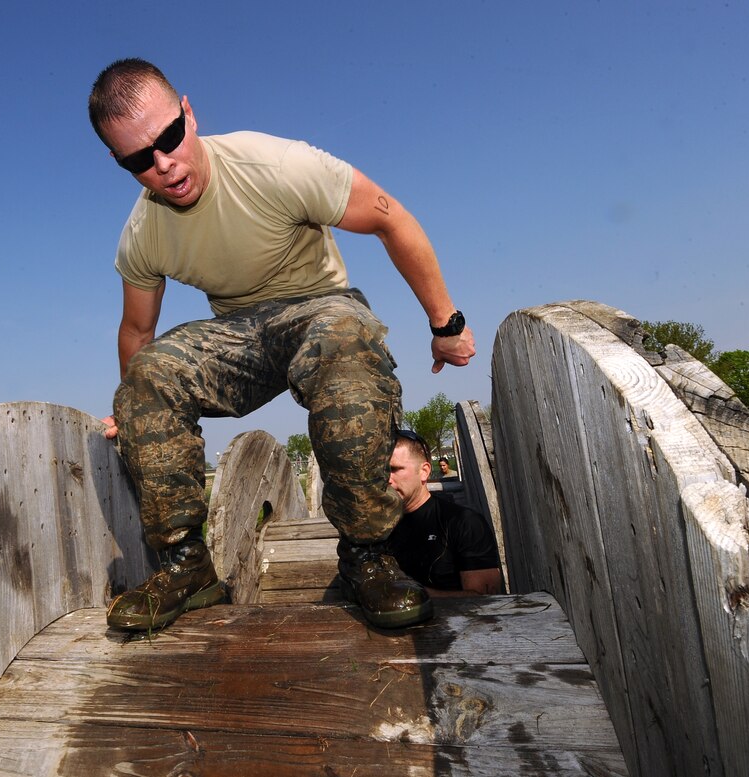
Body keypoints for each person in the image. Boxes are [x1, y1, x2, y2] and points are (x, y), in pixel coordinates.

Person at [88, 58, 476, 632]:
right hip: (240, 333)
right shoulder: (143, 233)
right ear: (119, 163)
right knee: (150, 371)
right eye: (140, 160)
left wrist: (445, 324)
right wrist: (135, 408)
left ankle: (367, 554)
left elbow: (393, 218)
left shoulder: (275, 164)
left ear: (189, 114)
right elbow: (136, 332)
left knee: (343, 336)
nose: (164, 165)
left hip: (318, 307)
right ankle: (186, 564)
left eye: (169, 138)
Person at [387, 431, 503, 596]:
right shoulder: (374, 527)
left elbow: (484, 600)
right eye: (382, 471)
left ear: (424, 471)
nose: (387, 478)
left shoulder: (463, 523)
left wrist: (409, 595)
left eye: (394, 469)